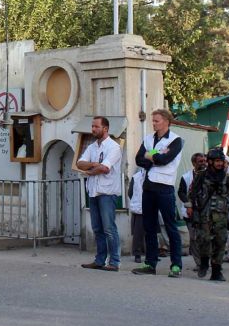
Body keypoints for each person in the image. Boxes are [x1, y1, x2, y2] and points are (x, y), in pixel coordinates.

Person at [132, 109, 184, 277]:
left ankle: (176, 265)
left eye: (157, 121)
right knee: (149, 227)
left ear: (167, 122)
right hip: (149, 186)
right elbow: (138, 159)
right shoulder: (148, 138)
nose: (153, 123)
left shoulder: (175, 140)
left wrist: (150, 156)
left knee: (171, 227)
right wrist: (154, 156)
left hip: (165, 188)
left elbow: (164, 160)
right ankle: (150, 263)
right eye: (153, 121)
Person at [188, 148, 229, 281]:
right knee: (204, 241)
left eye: (221, 161)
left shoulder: (227, 177)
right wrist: (190, 207)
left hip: (221, 216)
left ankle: (216, 271)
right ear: (210, 162)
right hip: (205, 215)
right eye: (217, 161)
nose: (220, 164)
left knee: (220, 243)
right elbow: (192, 192)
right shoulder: (201, 176)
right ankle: (204, 263)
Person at [77, 116, 123, 271]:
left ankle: (114, 262)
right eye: (92, 126)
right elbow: (79, 163)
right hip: (93, 192)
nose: (93, 129)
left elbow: (105, 168)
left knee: (109, 228)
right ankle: (100, 260)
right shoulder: (92, 147)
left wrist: (89, 172)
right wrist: (93, 165)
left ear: (106, 129)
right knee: (97, 228)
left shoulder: (113, 147)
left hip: (107, 192)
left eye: (96, 126)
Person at [178, 152, 207, 261]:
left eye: (205, 161)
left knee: (206, 238)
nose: (203, 163)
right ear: (194, 163)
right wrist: (188, 205)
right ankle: (199, 262)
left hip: (206, 212)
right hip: (191, 212)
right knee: (194, 237)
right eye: (200, 161)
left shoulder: (210, 176)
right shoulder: (186, 177)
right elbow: (181, 192)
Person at [127, 169, 146, 264]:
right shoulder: (136, 177)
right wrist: (136, 201)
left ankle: (151, 254)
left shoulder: (154, 174)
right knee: (138, 233)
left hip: (152, 207)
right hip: (139, 208)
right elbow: (130, 193)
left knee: (152, 232)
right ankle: (137, 254)